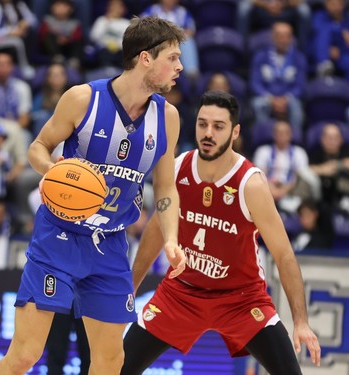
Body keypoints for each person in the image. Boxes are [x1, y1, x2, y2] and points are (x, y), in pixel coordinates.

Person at [0, 16, 187, 374]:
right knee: (26, 354)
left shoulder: (168, 118)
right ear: (146, 58)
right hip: (59, 237)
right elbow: (38, 147)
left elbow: (166, 187)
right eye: (172, 58)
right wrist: (55, 172)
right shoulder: (83, 99)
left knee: (111, 360)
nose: (180, 67)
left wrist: (171, 238)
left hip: (110, 243)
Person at [121, 91, 321, 374]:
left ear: (235, 131)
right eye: (202, 124)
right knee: (119, 367)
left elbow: (284, 254)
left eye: (218, 126)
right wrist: (130, 289)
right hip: (181, 294)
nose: (208, 133)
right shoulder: (178, 169)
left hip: (240, 299)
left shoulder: (250, 184)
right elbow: (156, 230)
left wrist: (300, 321)